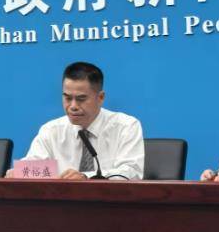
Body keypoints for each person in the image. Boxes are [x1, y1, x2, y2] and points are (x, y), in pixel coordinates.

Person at [11, 62, 144, 180]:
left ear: (101, 98)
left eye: (81, 99)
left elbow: (131, 172)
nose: (73, 106)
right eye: (67, 98)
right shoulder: (51, 130)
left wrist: (87, 177)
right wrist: (18, 172)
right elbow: (33, 167)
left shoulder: (126, 126)